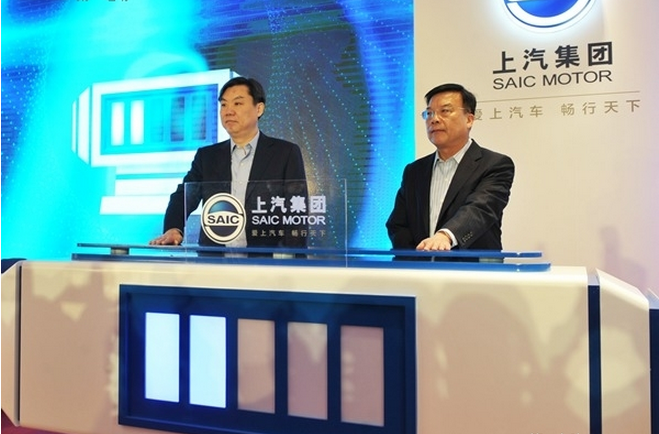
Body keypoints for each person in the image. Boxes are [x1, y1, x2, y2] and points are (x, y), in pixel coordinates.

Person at [150, 76, 307, 248]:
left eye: (237, 103)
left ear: (259, 109)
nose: (228, 111)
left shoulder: (285, 153)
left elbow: (296, 213)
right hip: (215, 260)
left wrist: (292, 257)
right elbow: (183, 197)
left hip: (265, 260)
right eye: (224, 105)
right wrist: (173, 229)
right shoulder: (207, 156)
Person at [386, 83, 514, 252]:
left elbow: (480, 209)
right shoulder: (414, 171)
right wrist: (417, 258)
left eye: (445, 111)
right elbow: (398, 225)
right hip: (421, 267)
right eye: (429, 113)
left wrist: (445, 236)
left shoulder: (495, 165)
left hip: (474, 267)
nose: (434, 119)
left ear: (469, 119)